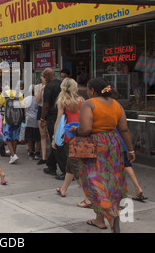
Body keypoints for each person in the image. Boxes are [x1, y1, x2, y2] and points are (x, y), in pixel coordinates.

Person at [69, 77, 135, 233]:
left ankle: (111, 219)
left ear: (92, 90)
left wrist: (75, 130)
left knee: (95, 180)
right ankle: (99, 220)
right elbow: (124, 129)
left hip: (95, 145)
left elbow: (85, 129)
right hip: (113, 144)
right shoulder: (116, 104)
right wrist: (130, 150)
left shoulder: (89, 103)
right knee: (111, 180)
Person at [51, 78, 89, 206]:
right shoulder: (81, 100)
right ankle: (63, 189)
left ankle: (88, 198)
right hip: (81, 133)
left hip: (70, 135)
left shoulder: (63, 101)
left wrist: (54, 137)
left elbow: (58, 120)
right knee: (70, 165)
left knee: (75, 166)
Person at [40, 68, 65, 177]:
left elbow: (46, 105)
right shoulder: (61, 84)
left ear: (47, 76)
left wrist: (42, 119)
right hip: (63, 115)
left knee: (56, 142)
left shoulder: (49, 87)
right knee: (57, 140)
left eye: (44, 77)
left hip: (53, 116)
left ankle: (64, 169)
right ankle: (51, 165)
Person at [0, 80, 25, 164]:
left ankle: (13, 155)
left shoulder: (5, 93)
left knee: (7, 138)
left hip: (8, 120)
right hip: (17, 119)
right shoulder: (19, 94)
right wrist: (23, 117)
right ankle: (13, 154)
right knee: (15, 137)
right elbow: (23, 106)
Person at [23, 86, 41, 160]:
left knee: (29, 138)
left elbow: (24, 110)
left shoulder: (25, 99)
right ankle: (37, 152)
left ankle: (30, 153)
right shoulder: (38, 99)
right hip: (36, 121)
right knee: (38, 138)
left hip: (28, 120)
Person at [35, 76, 48, 164]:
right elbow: (37, 100)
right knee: (42, 134)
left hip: (50, 109)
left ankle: (51, 155)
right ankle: (43, 156)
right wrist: (41, 89)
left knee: (50, 134)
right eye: (43, 76)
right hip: (41, 108)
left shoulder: (52, 85)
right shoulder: (37, 87)